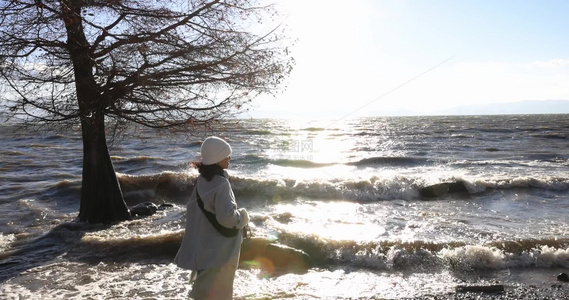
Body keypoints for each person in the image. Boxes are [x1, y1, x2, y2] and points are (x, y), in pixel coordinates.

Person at [174, 136, 250, 300]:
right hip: (220, 251)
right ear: (217, 158)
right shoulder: (221, 183)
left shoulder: (203, 180)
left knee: (204, 291)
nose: (229, 158)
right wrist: (244, 217)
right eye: (226, 155)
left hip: (205, 248)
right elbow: (227, 218)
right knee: (220, 293)